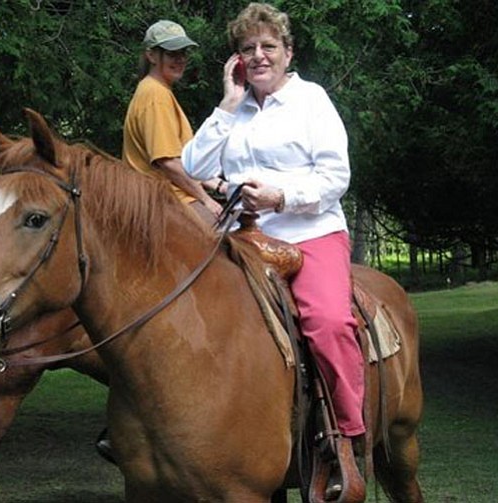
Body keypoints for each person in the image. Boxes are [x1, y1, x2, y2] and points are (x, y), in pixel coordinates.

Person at [182, 3, 364, 499]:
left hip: (310, 233)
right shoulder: (234, 108)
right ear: (237, 60)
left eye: (268, 47)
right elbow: (193, 165)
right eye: (248, 49)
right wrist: (226, 102)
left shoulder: (312, 101)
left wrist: (282, 197)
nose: (258, 56)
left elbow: (335, 178)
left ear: (287, 52)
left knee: (327, 322)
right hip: (243, 235)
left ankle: (347, 436)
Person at [122, 19, 223, 223]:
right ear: (151, 55)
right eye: (172, 53)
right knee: (229, 243)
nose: (180, 59)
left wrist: (219, 185)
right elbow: (168, 163)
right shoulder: (155, 95)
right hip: (162, 202)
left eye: (183, 53)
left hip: (168, 198)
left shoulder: (156, 91)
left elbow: (185, 164)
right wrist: (205, 199)